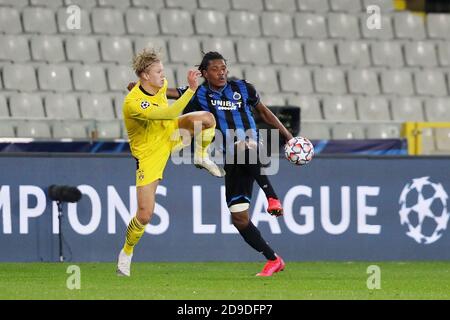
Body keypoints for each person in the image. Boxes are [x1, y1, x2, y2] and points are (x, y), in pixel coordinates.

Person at [169, 52, 294, 277]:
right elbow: (169, 94)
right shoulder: (199, 93)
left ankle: (272, 197)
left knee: (242, 144)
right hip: (231, 159)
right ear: (205, 73)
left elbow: (264, 113)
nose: (221, 72)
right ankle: (274, 260)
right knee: (239, 217)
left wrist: (288, 137)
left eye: (223, 68)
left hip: (252, 146)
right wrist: (143, 89)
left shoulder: (243, 88)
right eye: (215, 69)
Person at [116, 49, 224, 277]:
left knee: (207, 119)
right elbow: (168, 112)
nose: (163, 76)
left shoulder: (159, 86)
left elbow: (169, 115)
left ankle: (200, 155)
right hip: (149, 155)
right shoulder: (134, 103)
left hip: (170, 134)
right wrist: (192, 90)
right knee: (145, 215)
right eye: (158, 71)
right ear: (145, 75)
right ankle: (126, 252)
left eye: (162, 70)